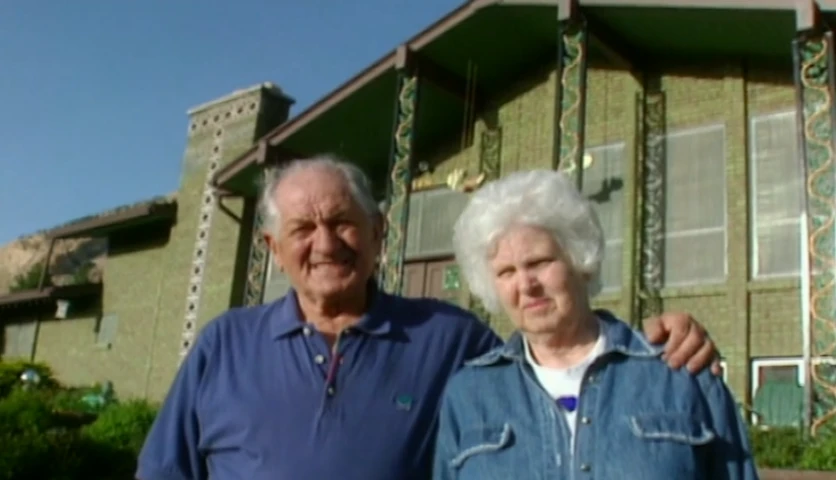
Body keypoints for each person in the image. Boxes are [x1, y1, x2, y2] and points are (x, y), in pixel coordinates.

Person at [137, 156, 723, 480]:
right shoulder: (225, 345)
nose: (326, 243)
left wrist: (655, 335)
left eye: (342, 222)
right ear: (272, 247)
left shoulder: (448, 339)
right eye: (302, 229)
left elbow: (554, 347)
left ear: (377, 233)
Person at [433, 169, 756, 480]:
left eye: (540, 262)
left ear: (581, 261)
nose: (526, 285)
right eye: (506, 272)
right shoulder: (469, 395)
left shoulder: (679, 371)